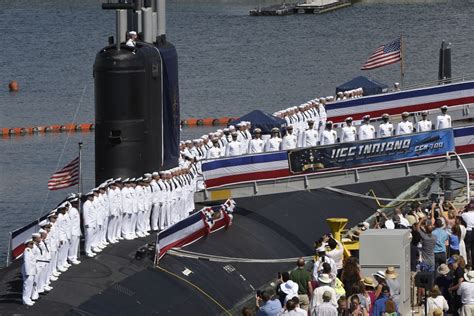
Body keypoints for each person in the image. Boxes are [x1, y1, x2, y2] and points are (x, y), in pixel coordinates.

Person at [21, 239, 36, 306]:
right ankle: (25, 300)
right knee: (27, 286)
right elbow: (27, 262)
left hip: (31, 271)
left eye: (33, 243)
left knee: (30, 286)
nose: (32, 245)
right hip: (28, 271)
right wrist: (27, 272)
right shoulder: (27, 251)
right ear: (28, 244)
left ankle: (28, 299)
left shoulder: (30, 251)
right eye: (31, 244)